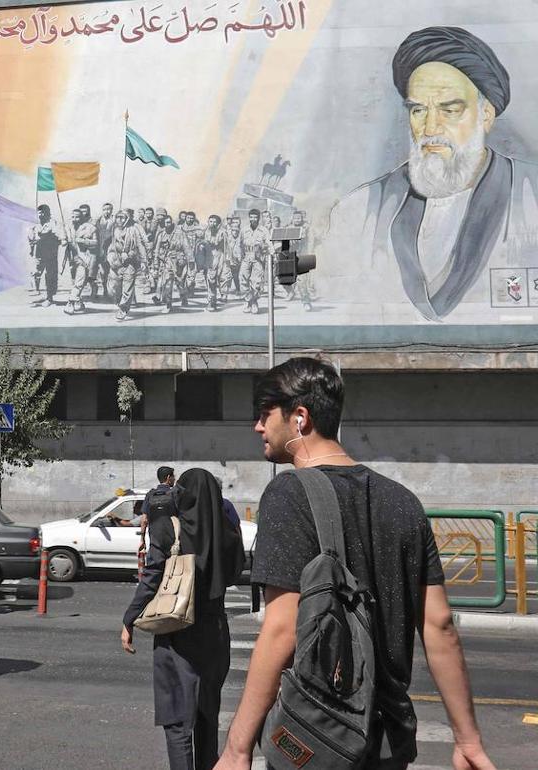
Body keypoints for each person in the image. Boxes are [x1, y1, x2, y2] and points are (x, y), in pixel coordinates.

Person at [214, 357, 496, 770]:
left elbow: (281, 629)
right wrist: (467, 739)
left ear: (300, 417)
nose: (257, 426)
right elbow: (440, 627)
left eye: (264, 413)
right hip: (388, 741)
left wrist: (237, 750)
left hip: (322, 738)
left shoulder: (289, 494)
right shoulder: (404, 502)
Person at [328, 26, 538, 322]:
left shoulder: (532, 195)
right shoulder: (358, 211)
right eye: (418, 110)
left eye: (449, 110)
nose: (429, 129)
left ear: (486, 115)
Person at [122, 469, 245, 770]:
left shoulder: (168, 528)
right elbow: (235, 572)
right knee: (207, 715)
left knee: (177, 718)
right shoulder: (228, 531)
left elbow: (152, 577)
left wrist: (129, 619)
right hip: (215, 631)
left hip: (178, 629)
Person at [107, 207, 149, 322]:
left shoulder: (133, 229)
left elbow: (140, 245)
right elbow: (109, 244)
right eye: (118, 217)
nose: (120, 220)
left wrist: (143, 260)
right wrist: (111, 257)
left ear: (127, 219)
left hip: (130, 262)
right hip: (116, 262)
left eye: (122, 218)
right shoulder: (114, 230)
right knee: (113, 288)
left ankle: (123, 308)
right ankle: (119, 301)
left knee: (127, 287)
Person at [65, 204, 99, 314]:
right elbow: (63, 238)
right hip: (71, 258)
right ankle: (79, 302)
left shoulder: (90, 228)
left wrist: (83, 241)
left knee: (80, 280)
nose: (74, 219)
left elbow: (96, 243)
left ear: (82, 218)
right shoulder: (67, 227)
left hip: (83, 259)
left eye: (77, 217)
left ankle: (70, 302)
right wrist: (64, 241)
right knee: (77, 281)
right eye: (73, 217)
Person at [28, 204, 63, 306]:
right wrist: (32, 245)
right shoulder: (35, 225)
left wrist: (45, 237)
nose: (41, 215)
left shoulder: (53, 223)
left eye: (43, 213)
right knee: (36, 273)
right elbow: (31, 239)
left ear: (48, 213)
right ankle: (38, 293)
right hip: (38, 253)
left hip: (50, 253)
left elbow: (59, 238)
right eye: (39, 213)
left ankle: (49, 297)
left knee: (50, 275)